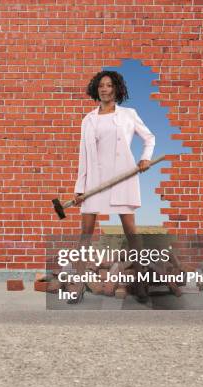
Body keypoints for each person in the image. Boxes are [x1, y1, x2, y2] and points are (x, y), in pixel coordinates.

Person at [65, 70, 156, 304]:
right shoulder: (88, 119)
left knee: (131, 232)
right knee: (85, 233)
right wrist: (79, 186)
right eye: (101, 86)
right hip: (95, 180)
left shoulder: (128, 114)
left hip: (122, 177)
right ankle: (78, 283)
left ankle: (140, 282)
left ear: (116, 88)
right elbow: (83, 155)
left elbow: (150, 138)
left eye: (109, 85)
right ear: (96, 89)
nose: (105, 89)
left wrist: (145, 158)